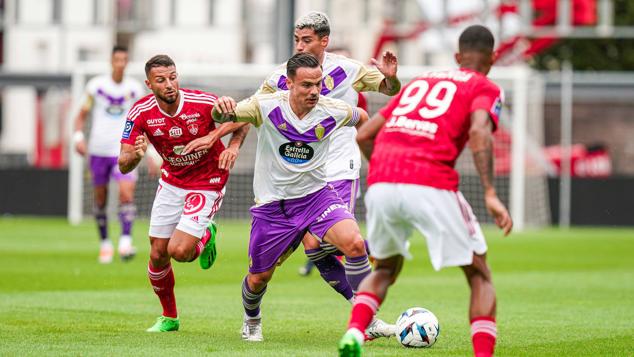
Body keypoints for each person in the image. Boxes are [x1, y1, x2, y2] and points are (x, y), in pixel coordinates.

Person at [338, 25, 514, 357]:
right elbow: (479, 131)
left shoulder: (421, 82)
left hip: (382, 181)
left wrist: (387, 176)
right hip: (431, 180)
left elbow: (363, 136)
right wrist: (490, 191)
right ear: (492, 57)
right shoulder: (485, 87)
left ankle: (355, 333)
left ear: (457, 57)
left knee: (386, 269)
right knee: (479, 274)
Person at [257, 12, 400, 339]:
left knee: (321, 241)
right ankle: (367, 303)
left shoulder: (349, 69)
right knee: (306, 251)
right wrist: (221, 139)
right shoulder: (282, 75)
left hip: (338, 167)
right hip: (298, 174)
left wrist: (391, 78)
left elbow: (389, 88)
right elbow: (252, 107)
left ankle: (367, 310)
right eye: (296, 39)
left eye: (306, 39)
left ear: (324, 40)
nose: (299, 45)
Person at [213, 53, 370, 342]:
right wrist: (220, 110)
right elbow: (227, 116)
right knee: (259, 278)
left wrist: (373, 153)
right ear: (289, 84)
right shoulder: (265, 105)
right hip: (273, 206)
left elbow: (364, 118)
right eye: (306, 85)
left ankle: (366, 319)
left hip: (317, 197)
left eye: (318, 84)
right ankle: (252, 318)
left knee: (355, 243)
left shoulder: (334, 109)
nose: (314, 91)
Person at [118, 54, 249, 332]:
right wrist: (138, 154)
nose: (169, 84)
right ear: (149, 84)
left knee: (180, 251)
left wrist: (233, 147)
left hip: (207, 180)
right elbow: (124, 162)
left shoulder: (202, 103)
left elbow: (245, 118)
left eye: (173, 77)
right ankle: (170, 317)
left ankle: (206, 233)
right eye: (161, 80)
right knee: (157, 254)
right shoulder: (139, 113)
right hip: (172, 181)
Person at [73, 45, 147, 264]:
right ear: (111, 61)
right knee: (100, 198)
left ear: (128, 62)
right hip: (98, 149)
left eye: (125, 59)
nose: (121, 64)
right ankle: (105, 244)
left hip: (124, 150)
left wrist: (149, 151)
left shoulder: (135, 89)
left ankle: (125, 242)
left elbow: (144, 121)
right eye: (117, 59)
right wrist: (78, 137)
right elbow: (82, 115)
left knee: (126, 193)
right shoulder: (96, 86)